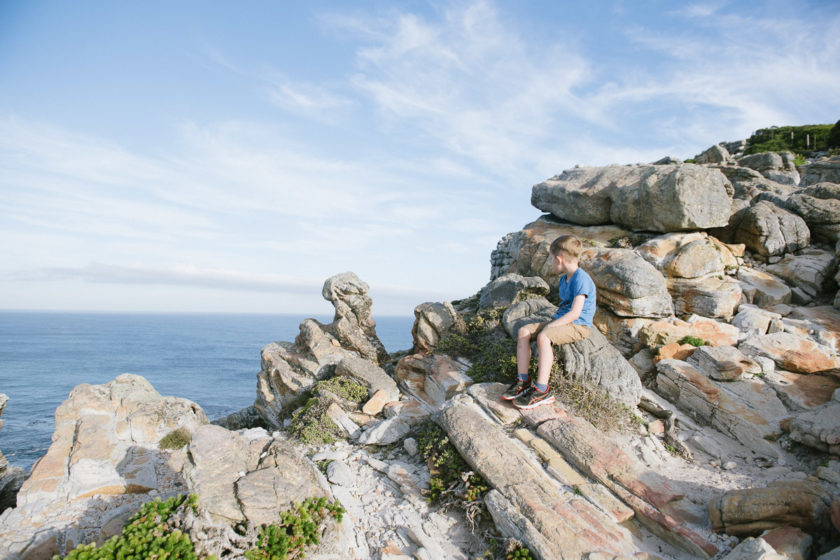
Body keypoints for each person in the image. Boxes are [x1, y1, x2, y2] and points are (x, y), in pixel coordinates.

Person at [502, 234, 596, 409]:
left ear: (559, 259)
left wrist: (551, 326)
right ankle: (523, 381)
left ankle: (542, 390)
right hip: (561, 320)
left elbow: (576, 312)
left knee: (544, 337)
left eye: (552, 259)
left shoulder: (581, 279)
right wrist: (553, 322)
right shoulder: (564, 279)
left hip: (578, 325)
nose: (551, 262)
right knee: (524, 331)